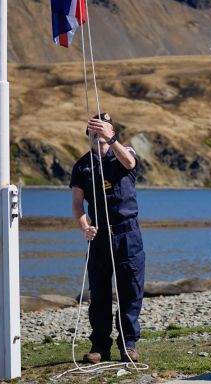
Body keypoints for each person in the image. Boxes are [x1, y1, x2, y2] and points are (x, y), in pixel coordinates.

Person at [70, 113, 145, 363]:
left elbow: (130, 164)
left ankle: (128, 345)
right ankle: (100, 347)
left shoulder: (125, 154)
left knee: (130, 290)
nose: (97, 133)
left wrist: (112, 139)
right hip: (100, 236)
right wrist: (84, 227)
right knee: (99, 292)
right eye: (93, 129)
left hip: (127, 233)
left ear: (111, 131)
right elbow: (78, 204)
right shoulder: (81, 166)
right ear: (87, 134)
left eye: (102, 128)